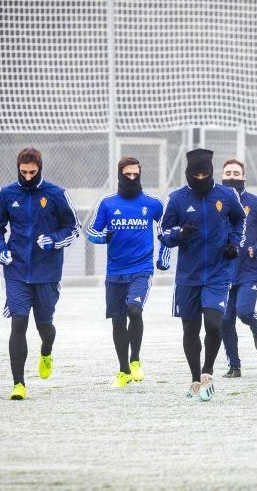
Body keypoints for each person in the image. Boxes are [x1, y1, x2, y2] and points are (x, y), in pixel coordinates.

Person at [0, 148, 81, 400]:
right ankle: (19, 384)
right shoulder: (6, 194)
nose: (27, 176)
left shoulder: (56, 194)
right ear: (18, 167)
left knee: (44, 325)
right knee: (18, 323)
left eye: (33, 172)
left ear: (40, 168)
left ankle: (46, 350)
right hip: (16, 271)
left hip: (47, 272)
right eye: (23, 171)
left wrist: (53, 240)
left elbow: (73, 228)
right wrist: (1, 249)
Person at [159, 148, 246, 401]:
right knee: (190, 329)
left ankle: (208, 372)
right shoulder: (176, 199)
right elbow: (163, 233)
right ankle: (195, 378)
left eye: (204, 173)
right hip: (187, 277)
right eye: (195, 174)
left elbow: (240, 221)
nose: (200, 178)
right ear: (188, 174)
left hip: (218, 273)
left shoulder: (227, 195)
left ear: (210, 172)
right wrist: (178, 234)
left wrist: (233, 243)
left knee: (214, 324)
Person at [86, 157, 164, 388]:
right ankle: (123, 371)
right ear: (120, 175)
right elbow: (91, 231)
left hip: (141, 268)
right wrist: (102, 237)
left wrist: (166, 251)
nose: (132, 178)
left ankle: (136, 360)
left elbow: (167, 227)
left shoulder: (152, 203)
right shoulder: (108, 203)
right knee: (118, 321)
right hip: (115, 271)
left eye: (135, 175)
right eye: (127, 175)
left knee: (135, 310)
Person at [219, 158, 257, 378]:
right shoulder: (214, 202)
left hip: (248, 270)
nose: (232, 177)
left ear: (243, 177)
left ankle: (256, 327)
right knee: (225, 320)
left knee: (244, 312)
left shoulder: (256, 202)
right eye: (228, 173)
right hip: (223, 271)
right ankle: (234, 366)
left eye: (236, 173)